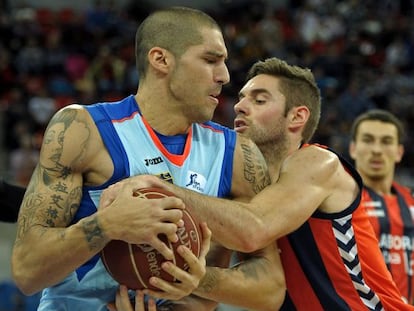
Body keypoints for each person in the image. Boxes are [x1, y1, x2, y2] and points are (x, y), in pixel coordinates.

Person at [11, 6, 282, 311]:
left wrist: (198, 280)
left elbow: (271, 291)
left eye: (224, 63)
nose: (225, 76)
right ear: (161, 60)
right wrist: (108, 224)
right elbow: (26, 272)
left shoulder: (239, 155)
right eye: (210, 60)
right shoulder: (82, 130)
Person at [111, 57, 414, 310]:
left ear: (297, 117)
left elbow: (253, 230)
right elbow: (225, 296)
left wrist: (158, 186)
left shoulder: (319, 163)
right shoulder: (239, 194)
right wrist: (159, 290)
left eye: (259, 100)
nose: (240, 107)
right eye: (241, 98)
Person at [349, 109, 414, 305]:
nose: (376, 149)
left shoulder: (411, 202)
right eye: (368, 140)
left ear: (399, 152)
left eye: (386, 142)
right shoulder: (340, 201)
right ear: (353, 148)